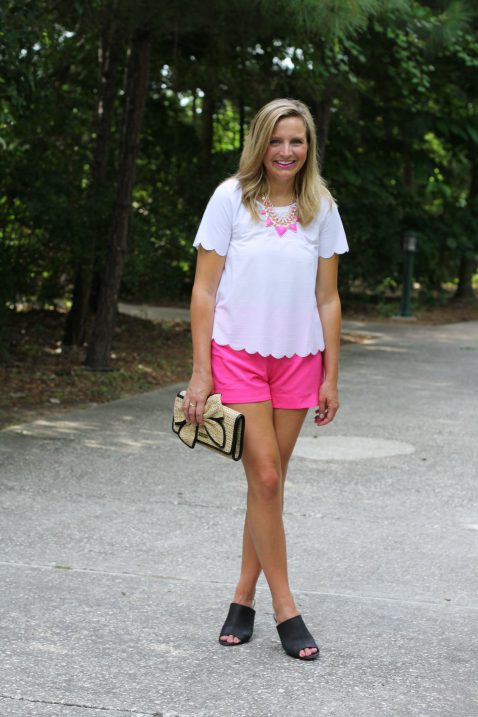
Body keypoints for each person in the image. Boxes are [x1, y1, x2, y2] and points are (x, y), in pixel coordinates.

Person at [183, 98, 349, 661]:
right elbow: (204, 290)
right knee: (270, 480)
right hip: (238, 357)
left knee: (265, 486)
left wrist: (331, 374)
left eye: (297, 141)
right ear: (260, 143)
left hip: (299, 359)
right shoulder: (229, 199)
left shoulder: (320, 207)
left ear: (309, 148)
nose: (286, 151)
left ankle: (241, 598)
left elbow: (327, 297)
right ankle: (287, 608)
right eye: (277, 140)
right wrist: (202, 373)